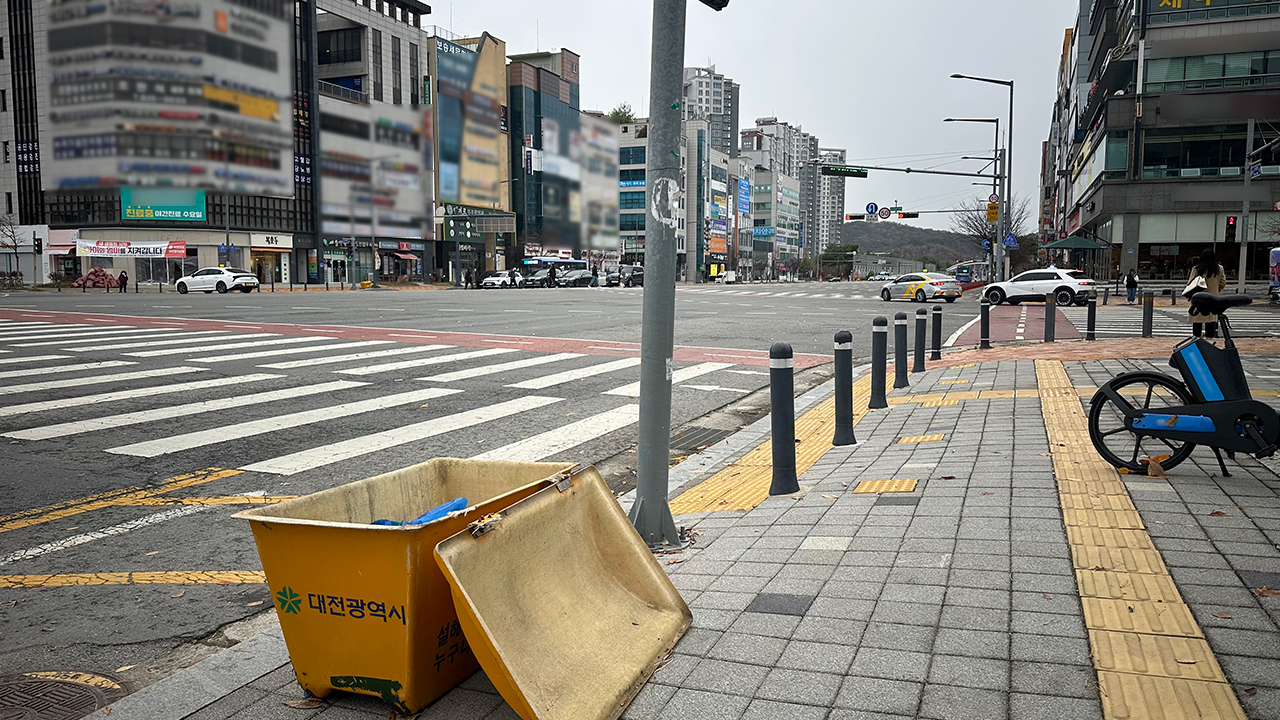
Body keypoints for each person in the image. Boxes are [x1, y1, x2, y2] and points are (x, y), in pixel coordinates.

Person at [1187, 249, 1226, 338]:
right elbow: (1223, 282)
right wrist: (1216, 290)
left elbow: (1190, 283)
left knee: (1197, 321)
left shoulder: (1197, 268)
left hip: (1198, 297)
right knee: (1210, 321)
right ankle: (1209, 339)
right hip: (1212, 298)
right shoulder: (1219, 269)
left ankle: (1197, 339)